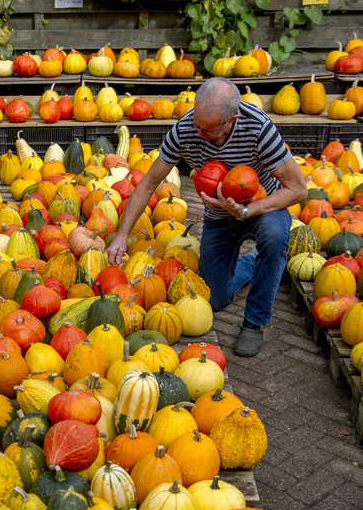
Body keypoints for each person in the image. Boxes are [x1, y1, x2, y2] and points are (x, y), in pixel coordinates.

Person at [107, 77, 308, 356]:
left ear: (231, 120)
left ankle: (255, 321)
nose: (199, 134)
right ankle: (255, 264)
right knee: (214, 299)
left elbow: (298, 189)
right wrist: (121, 236)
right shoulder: (185, 129)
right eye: (197, 125)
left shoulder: (258, 128)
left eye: (209, 130)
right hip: (218, 216)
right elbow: (148, 183)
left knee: (275, 238)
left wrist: (247, 211)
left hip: (262, 207)